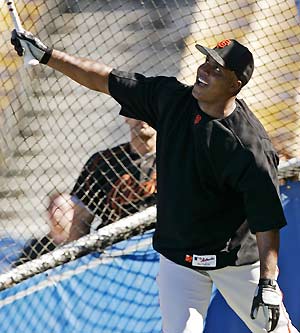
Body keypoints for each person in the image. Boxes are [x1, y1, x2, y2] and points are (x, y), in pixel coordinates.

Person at [10, 30, 299, 333]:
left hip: (235, 261)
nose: (205, 70)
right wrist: (47, 56)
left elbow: (266, 221)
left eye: (217, 69)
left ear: (235, 84)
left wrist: (267, 280)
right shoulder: (171, 98)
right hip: (180, 259)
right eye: (205, 61)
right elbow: (105, 79)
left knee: (275, 331)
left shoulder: (249, 147)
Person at [50, 117, 156, 241]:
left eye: (149, 108)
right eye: (137, 108)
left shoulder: (178, 160)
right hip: (113, 247)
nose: (143, 115)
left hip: (158, 248)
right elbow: (81, 220)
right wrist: (77, 257)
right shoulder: (102, 162)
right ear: (125, 116)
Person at [13, 193, 73, 266]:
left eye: (60, 209)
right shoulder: (36, 247)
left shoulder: (82, 241)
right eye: (50, 208)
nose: (54, 213)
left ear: (73, 212)